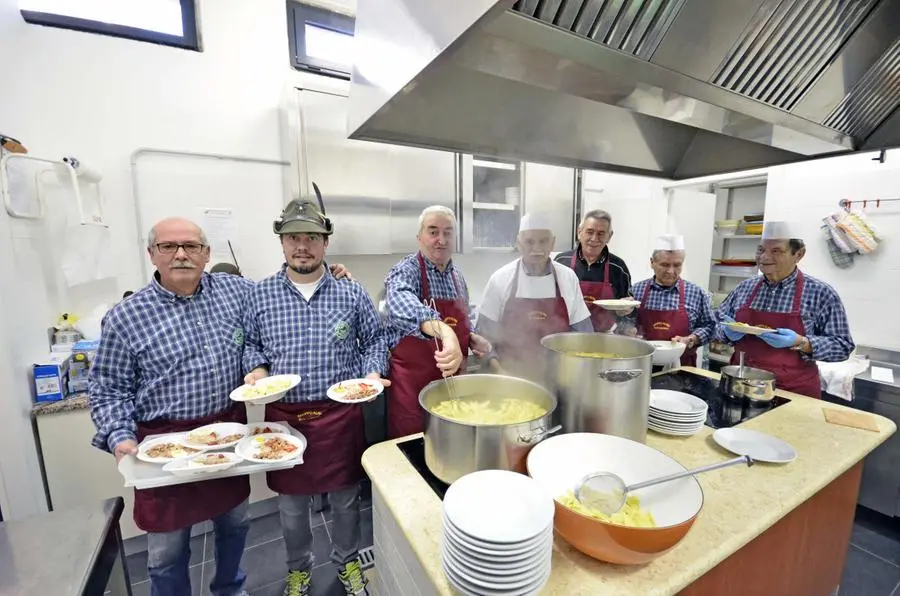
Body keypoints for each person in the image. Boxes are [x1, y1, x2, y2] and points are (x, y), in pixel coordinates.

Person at [89, 218, 253, 596]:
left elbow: (281, 292)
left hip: (227, 434)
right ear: (152, 254)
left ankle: (230, 588)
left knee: (236, 524)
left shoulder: (235, 292)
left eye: (191, 246)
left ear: (207, 254)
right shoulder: (126, 316)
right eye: (168, 246)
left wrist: (330, 271)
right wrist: (119, 436)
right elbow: (108, 388)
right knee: (166, 550)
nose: (181, 254)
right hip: (165, 445)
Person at [242, 199, 388, 596]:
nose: (302, 245)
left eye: (311, 237)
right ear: (282, 243)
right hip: (284, 417)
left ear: (326, 243)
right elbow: (251, 345)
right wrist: (256, 370)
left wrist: (372, 371)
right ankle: (298, 569)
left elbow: (375, 338)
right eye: (293, 237)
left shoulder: (349, 291)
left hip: (338, 413)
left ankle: (348, 562)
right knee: (291, 507)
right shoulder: (260, 295)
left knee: (345, 501)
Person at [383, 205, 492, 439]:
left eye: (448, 232)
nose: (440, 240)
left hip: (452, 395)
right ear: (419, 237)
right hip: (412, 399)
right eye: (433, 232)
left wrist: (471, 338)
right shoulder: (405, 271)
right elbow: (399, 302)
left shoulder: (458, 277)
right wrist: (444, 331)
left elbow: (463, 320)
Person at [716, 221, 854, 398]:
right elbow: (716, 324)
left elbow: (843, 346)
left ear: (799, 254)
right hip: (741, 386)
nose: (764, 257)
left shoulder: (821, 293)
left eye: (776, 251)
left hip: (793, 392)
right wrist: (727, 332)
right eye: (760, 250)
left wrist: (802, 342)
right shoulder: (744, 288)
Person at [478, 212, 592, 379]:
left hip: (559, 380)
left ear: (553, 243)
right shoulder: (500, 279)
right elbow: (483, 338)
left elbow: (583, 335)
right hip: (510, 378)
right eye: (529, 241)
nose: (537, 248)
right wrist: (500, 373)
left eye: (543, 241)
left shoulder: (567, 278)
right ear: (518, 243)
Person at [625, 235, 716, 366]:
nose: (671, 271)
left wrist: (690, 339)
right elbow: (625, 323)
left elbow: (709, 326)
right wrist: (629, 331)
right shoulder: (636, 291)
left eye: (677, 265)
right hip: (642, 365)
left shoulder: (696, 293)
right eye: (665, 265)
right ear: (652, 263)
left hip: (682, 368)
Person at [555, 209, 633, 331]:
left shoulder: (618, 267)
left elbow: (628, 309)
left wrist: (625, 313)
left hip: (604, 338)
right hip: (567, 335)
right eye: (589, 232)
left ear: (609, 236)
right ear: (579, 233)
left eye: (601, 233)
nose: (594, 238)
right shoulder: (561, 261)